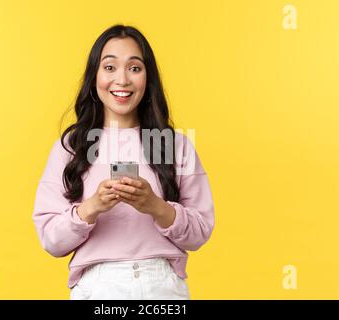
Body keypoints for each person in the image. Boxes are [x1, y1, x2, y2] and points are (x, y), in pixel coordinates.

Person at [32, 24, 215, 300]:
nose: (122, 80)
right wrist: (92, 207)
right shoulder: (73, 147)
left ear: (147, 78)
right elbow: (51, 240)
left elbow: (199, 233)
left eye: (134, 68)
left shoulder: (173, 145)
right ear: (94, 76)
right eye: (109, 67)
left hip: (162, 287)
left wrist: (155, 206)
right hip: (96, 287)